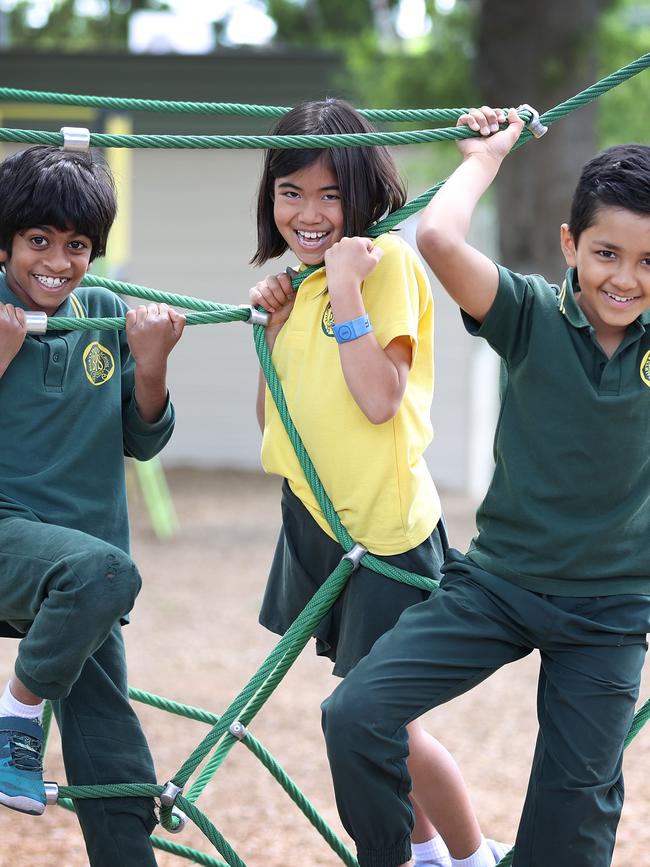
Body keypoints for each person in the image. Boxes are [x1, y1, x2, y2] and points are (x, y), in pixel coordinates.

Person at [321, 105, 650, 867]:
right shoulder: (531, 314)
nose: (625, 278)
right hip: (499, 585)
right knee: (357, 712)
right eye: (607, 252)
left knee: (572, 821)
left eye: (647, 261)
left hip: (609, 614)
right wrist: (485, 157)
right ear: (571, 246)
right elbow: (437, 239)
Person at [249, 98, 506, 867]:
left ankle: (470, 856)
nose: (310, 211)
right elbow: (277, 416)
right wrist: (273, 327)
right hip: (320, 520)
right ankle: (428, 853)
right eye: (291, 192)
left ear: (363, 195)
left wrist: (349, 289)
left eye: (330, 193)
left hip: (385, 531)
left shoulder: (381, 262)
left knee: (387, 722)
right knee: (373, 714)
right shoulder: (301, 283)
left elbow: (380, 398)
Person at [0, 145, 185, 866]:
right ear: (8, 240)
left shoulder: (105, 313)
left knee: (111, 743)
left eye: (76, 245)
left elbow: (142, 437)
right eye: (38, 241)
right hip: (20, 545)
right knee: (105, 573)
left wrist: (153, 361)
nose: (57, 260)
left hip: (83, 571)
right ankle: (17, 715)